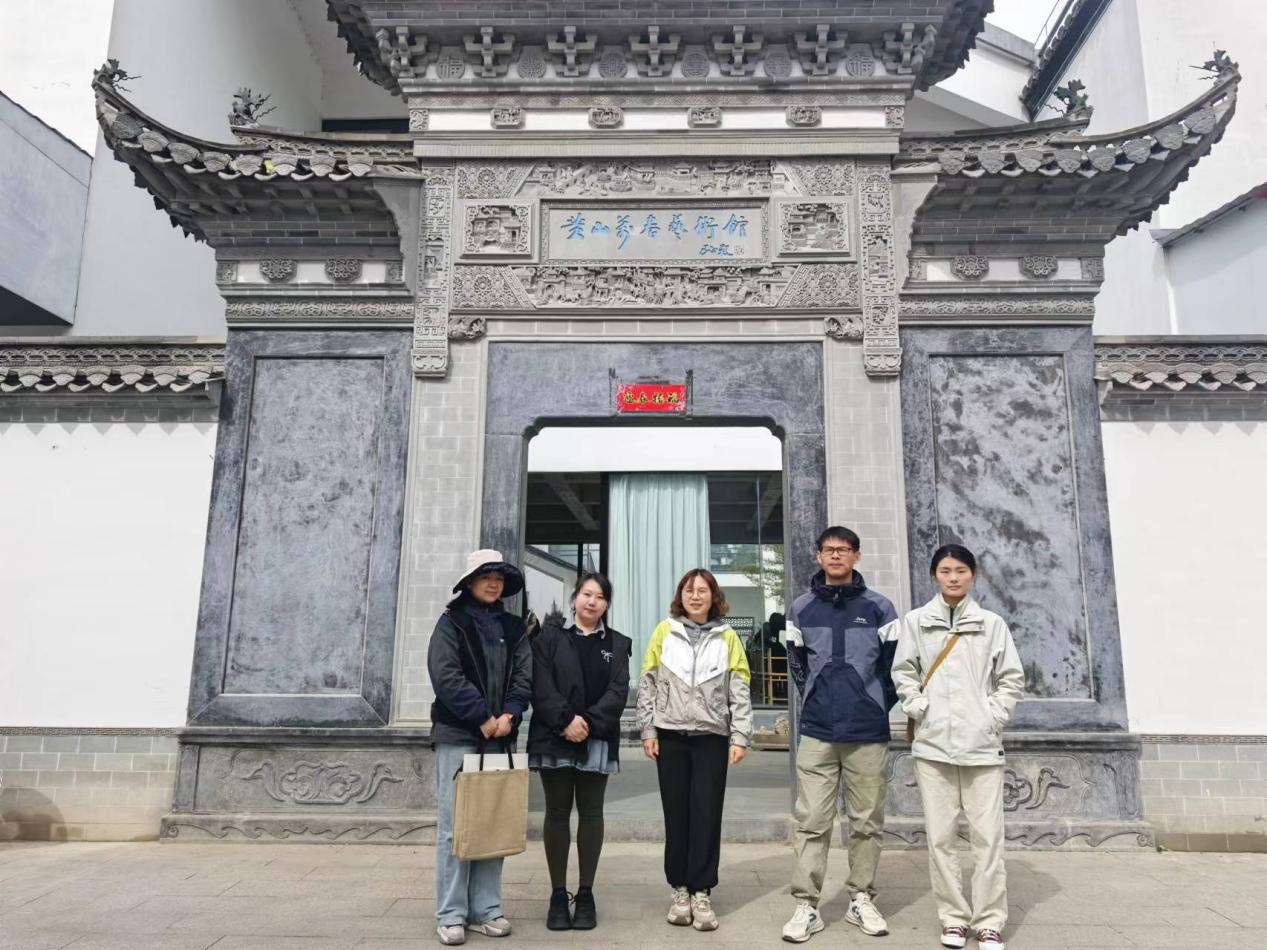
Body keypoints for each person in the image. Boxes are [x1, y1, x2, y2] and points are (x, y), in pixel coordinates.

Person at [891, 544, 1024, 950]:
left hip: (982, 747)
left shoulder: (991, 624)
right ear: (934, 575)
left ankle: (989, 922)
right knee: (941, 839)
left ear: (973, 576)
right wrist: (920, 709)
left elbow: (1011, 678)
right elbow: (903, 672)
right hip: (933, 748)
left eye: (961, 570)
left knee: (988, 839)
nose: (953, 577)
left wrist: (992, 717)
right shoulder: (916, 621)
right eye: (946, 570)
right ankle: (953, 918)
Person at [782, 526, 900, 943]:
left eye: (844, 549)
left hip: (867, 732)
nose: (836, 555)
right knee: (812, 820)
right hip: (818, 732)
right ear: (818, 556)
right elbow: (797, 666)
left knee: (867, 822)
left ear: (856, 556)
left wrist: (874, 704)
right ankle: (806, 905)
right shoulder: (800, 608)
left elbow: (894, 669)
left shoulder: (880, 608)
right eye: (829, 549)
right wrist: (817, 700)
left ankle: (861, 898)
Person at [427, 549, 534, 946]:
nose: (493, 583)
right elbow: (446, 677)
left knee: (493, 821)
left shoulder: (514, 627)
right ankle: (451, 913)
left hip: (501, 736)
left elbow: (524, 678)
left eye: (499, 578)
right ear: (470, 581)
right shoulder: (450, 622)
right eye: (486, 576)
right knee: (454, 827)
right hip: (458, 735)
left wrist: (509, 715)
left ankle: (486, 909)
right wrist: (482, 717)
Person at [637, 568, 753, 932]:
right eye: (689, 590)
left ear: (713, 596)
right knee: (676, 815)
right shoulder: (664, 631)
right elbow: (648, 682)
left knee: (706, 813)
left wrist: (740, 735)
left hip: (711, 738)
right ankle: (680, 890)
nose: (695, 596)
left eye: (703, 590)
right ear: (680, 596)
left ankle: (702, 891)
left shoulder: (727, 636)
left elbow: (740, 687)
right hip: (670, 735)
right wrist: (648, 729)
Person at [527, 572, 632, 932]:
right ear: (574, 598)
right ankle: (558, 894)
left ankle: (585, 893)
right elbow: (540, 686)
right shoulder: (548, 639)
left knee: (591, 813)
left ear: (606, 604)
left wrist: (586, 723)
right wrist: (565, 721)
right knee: (557, 813)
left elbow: (618, 692)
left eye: (600, 597)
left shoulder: (618, 644)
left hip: (596, 737)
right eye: (587, 594)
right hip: (554, 736)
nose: (592, 601)